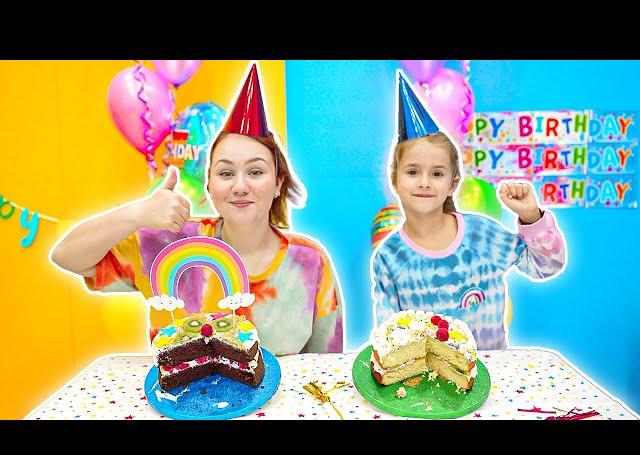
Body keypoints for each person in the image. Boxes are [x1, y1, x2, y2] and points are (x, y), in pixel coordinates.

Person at [50, 63, 344, 356]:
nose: (240, 186)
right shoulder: (170, 244)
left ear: (278, 182)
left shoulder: (309, 261)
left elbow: (325, 367)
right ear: (209, 186)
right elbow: (67, 256)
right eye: (226, 174)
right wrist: (136, 213)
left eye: (255, 172)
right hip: (177, 400)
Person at [371, 71, 566, 349]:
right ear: (395, 180)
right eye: (413, 171)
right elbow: (388, 335)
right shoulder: (389, 258)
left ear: (453, 183)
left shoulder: (481, 235)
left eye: (437, 174)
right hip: (425, 384)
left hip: (490, 378)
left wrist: (531, 216)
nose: (425, 182)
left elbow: (546, 266)